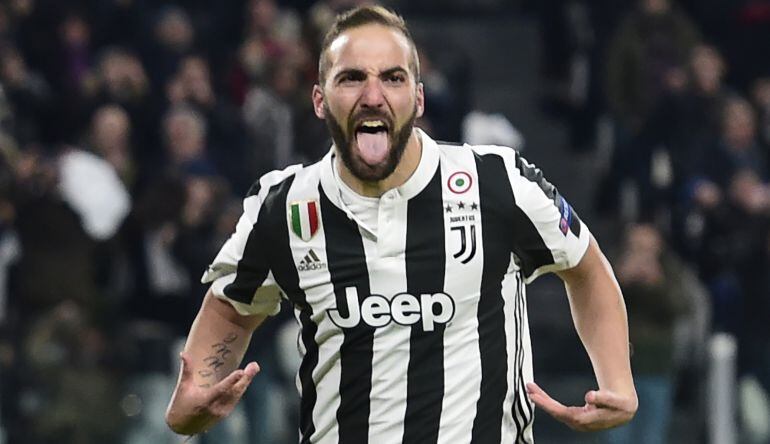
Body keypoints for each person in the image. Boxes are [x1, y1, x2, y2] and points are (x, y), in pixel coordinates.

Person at [165, 6, 637, 443]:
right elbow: (231, 307)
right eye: (351, 79)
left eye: (392, 78)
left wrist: (618, 380)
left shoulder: (496, 183)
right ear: (319, 100)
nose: (373, 97)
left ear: (418, 97)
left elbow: (585, 267)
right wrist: (193, 402)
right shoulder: (285, 207)